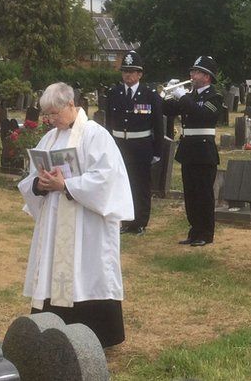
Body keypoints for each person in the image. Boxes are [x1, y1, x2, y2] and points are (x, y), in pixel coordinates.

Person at [17, 82, 133, 347]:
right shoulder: (49, 137)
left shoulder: (95, 135)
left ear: (71, 104)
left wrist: (67, 185)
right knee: (54, 271)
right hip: (55, 220)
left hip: (86, 221)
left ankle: (97, 334)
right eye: (47, 114)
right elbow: (32, 177)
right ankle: (51, 328)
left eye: (54, 113)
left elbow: (106, 179)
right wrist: (40, 184)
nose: (50, 119)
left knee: (88, 270)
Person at [162, 55, 223, 247]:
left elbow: (203, 114)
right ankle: (194, 231)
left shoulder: (214, 96)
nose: (192, 75)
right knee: (191, 193)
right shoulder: (190, 95)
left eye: (196, 72)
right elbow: (167, 109)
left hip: (204, 151)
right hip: (188, 149)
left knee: (204, 194)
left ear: (207, 76)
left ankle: (206, 233)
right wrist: (167, 94)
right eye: (192, 71)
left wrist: (183, 96)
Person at [106, 50, 163, 235]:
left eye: (131, 71)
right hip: (120, 146)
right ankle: (126, 221)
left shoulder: (150, 95)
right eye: (125, 71)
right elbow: (108, 122)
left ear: (140, 74)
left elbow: (158, 126)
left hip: (141, 147)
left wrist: (157, 151)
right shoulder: (114, 93)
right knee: (122, 184)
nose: (127, 75)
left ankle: (140, 222)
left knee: (141, 185)